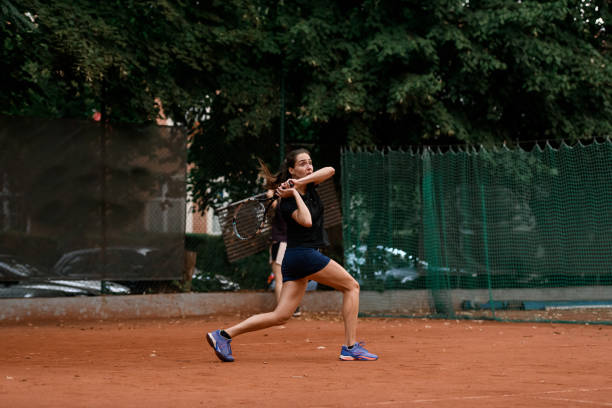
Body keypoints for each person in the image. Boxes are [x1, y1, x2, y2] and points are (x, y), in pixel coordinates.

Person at [206, 148, 378, 362]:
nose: (309, 166)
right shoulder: (287, 202)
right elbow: (306, 221)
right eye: (302, 164)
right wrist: (295, 192)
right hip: (303, 256)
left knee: (281, 316)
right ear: (292, 170)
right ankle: (351, 347)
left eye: (310, 162)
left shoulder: (311, 185)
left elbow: (330, 170)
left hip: (295, 259)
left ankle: (223, 335)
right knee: (351, 286)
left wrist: (298, 185)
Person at [266, 187, 301, 317]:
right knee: (289, 278)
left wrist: (270, 195)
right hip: (290, 244)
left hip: (280, 242)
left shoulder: (282, 205)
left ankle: (282, 311)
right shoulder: (295, 204)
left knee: (279, 278)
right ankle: (292, 307)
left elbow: (273, 205)